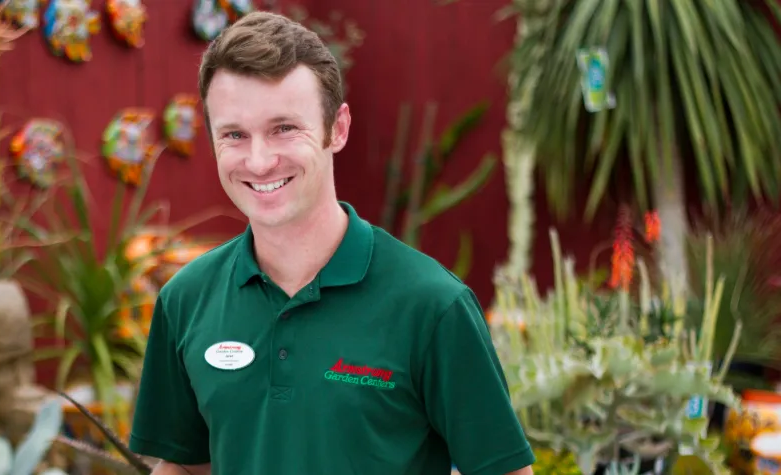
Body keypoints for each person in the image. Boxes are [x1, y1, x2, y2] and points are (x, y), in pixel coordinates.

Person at [128, 10, 534, 475]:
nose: (259, 161)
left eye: (284, 128)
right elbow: (183, 466)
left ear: (337, 128)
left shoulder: (432, 307)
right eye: (235, 135)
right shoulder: (186, 300)